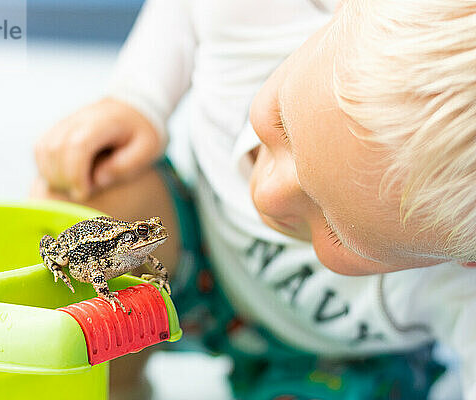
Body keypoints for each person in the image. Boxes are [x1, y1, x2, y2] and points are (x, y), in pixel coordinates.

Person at [32, 0, 476, 398]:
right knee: (86, 200)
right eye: (281, 123)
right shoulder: (259, 13)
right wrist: (137, 99)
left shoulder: (462, 285)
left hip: (331, 358)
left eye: (337, 228)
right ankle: (115, 385)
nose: (267, 195)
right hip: (199, 250)